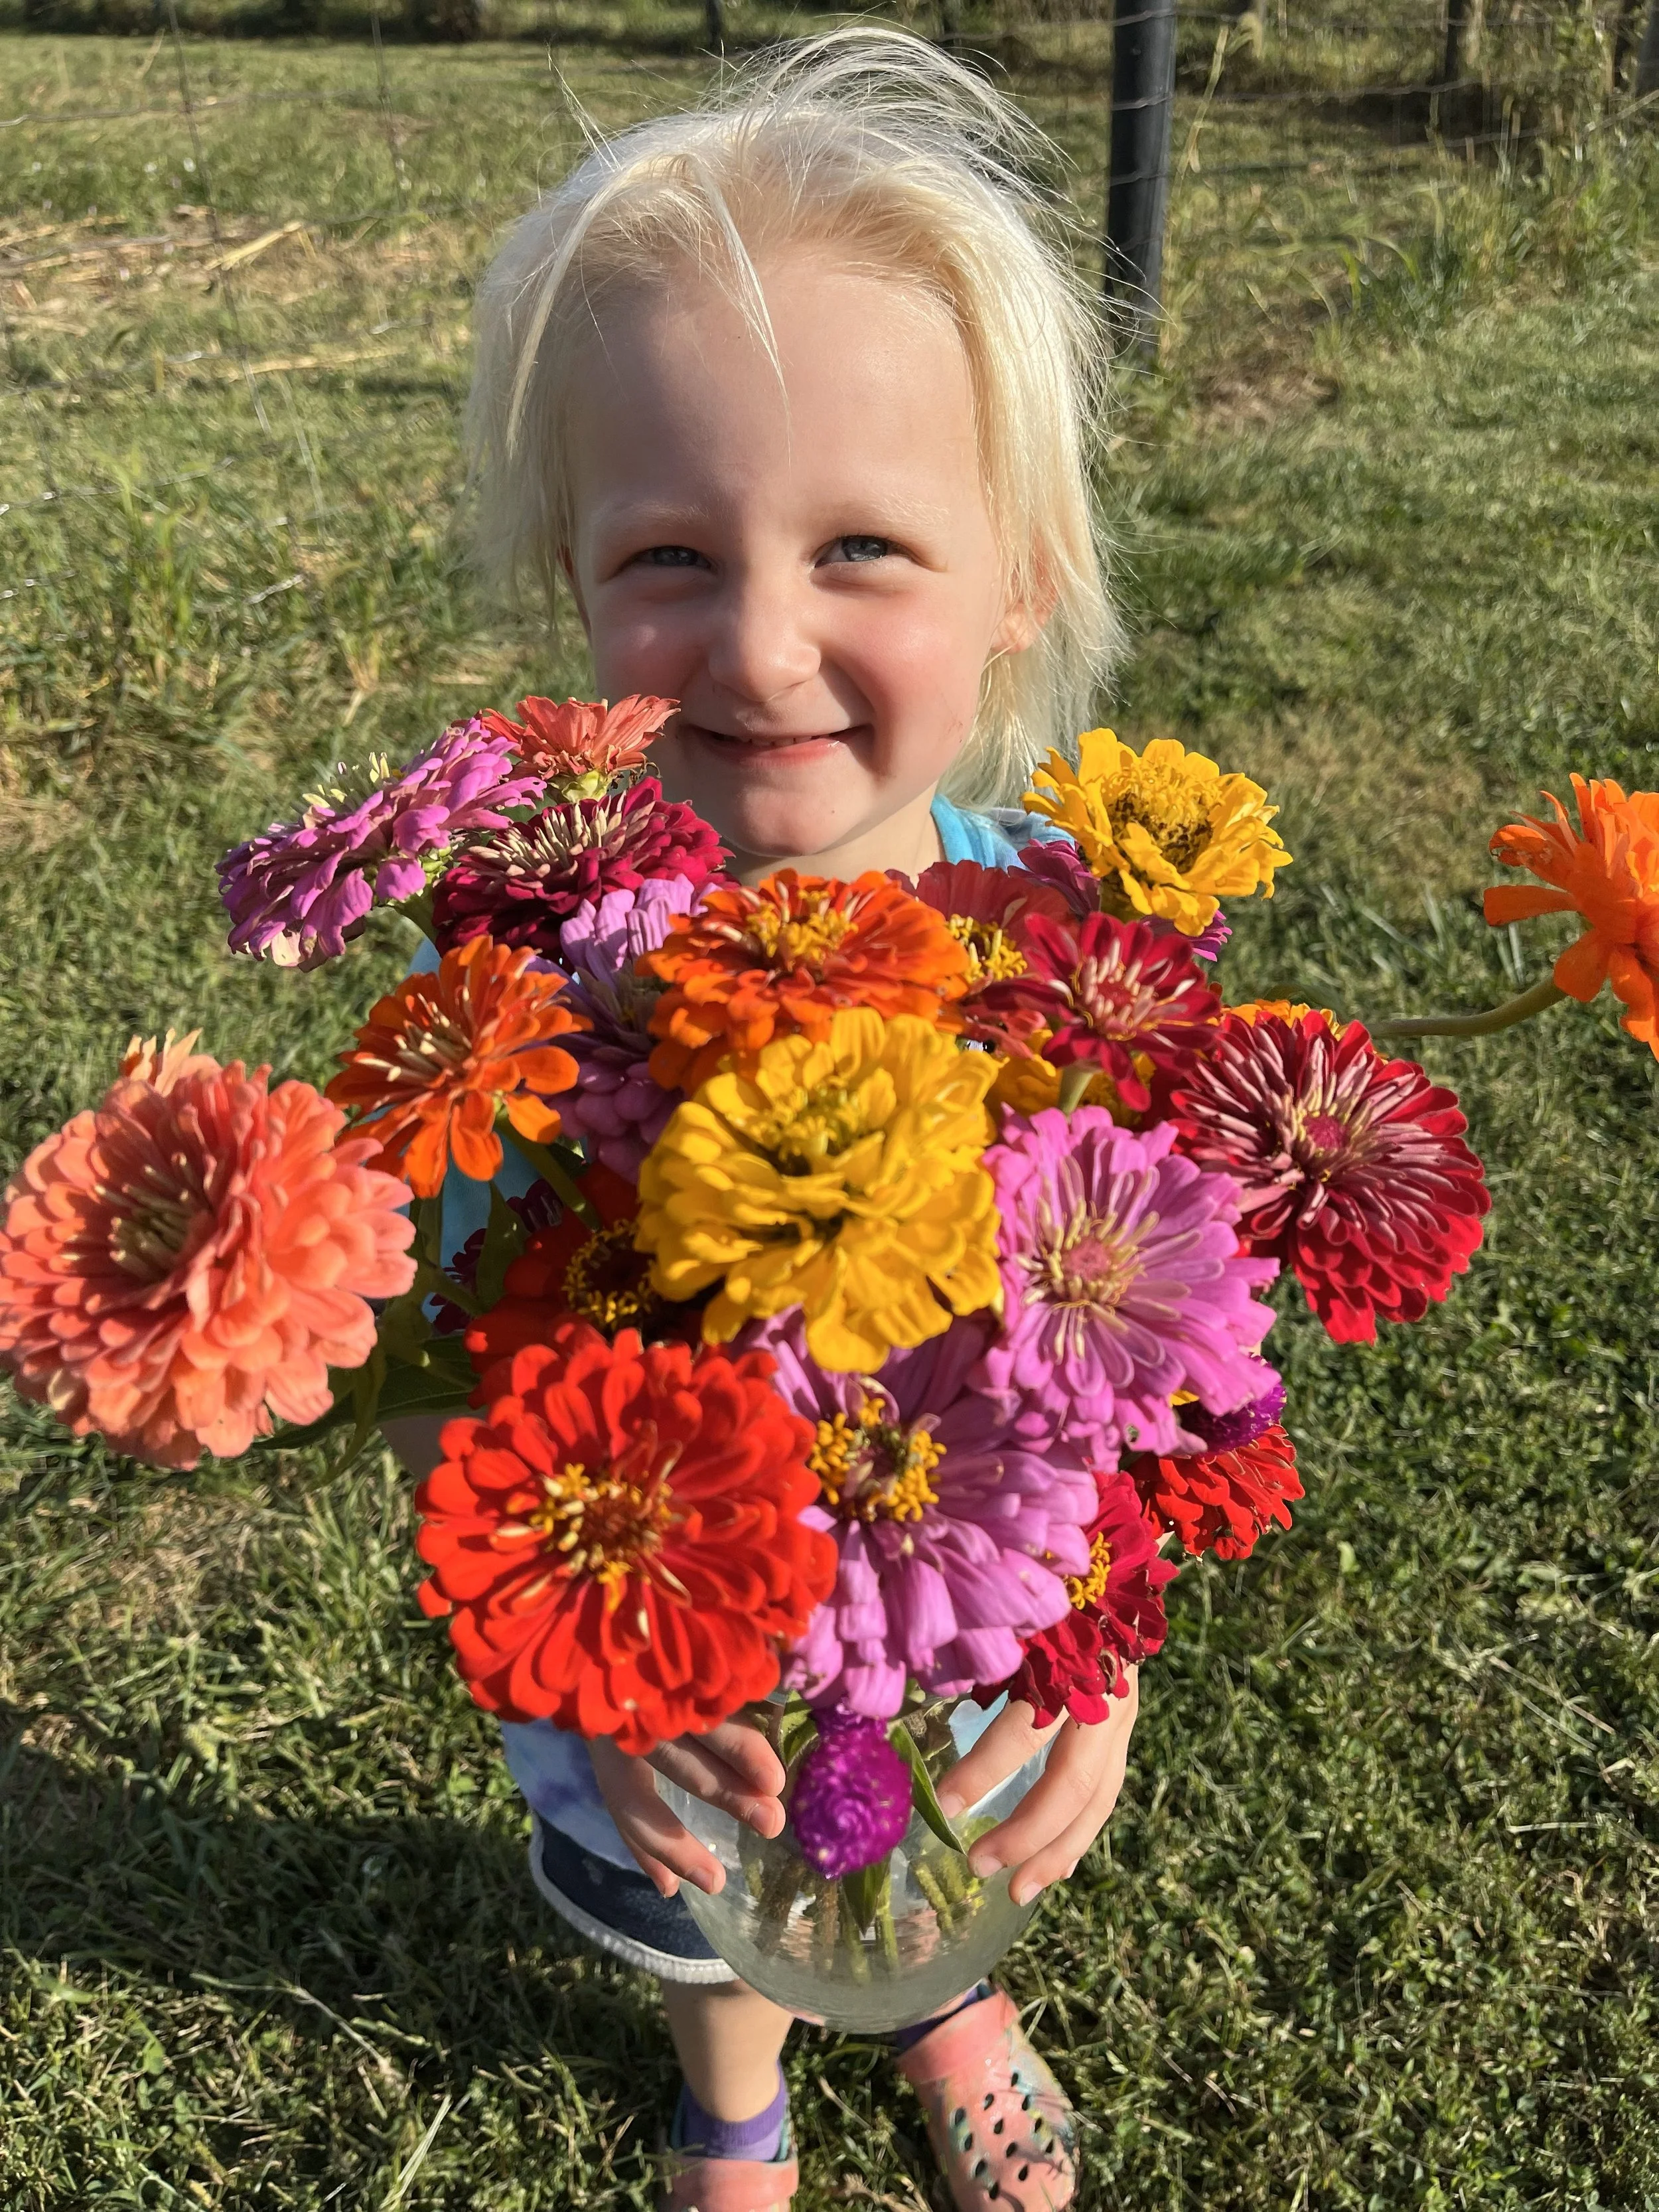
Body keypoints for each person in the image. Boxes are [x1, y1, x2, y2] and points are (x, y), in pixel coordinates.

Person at [384, 31, 1139, 2210]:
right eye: (670, 556)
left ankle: (947, 2001)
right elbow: (457, 1382)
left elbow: (1145, 1392)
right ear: (574, 591)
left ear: (1016, 587)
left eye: (866, 545)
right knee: (698, 1898)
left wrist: (1095, 1643)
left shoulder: (1073, 973)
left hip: (960, 1608)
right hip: (655, 1660)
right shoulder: (529, 1010)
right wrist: (586, 1655)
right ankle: (735, 2099)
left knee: (929, 1863)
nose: (766, 643)